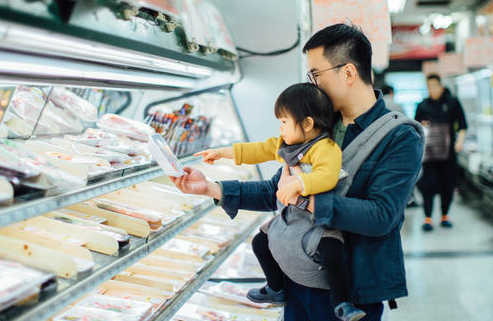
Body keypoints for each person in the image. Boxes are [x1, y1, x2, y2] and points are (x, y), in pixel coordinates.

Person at [171, 23, 424, 321]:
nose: (312, 84)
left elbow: (381, 216)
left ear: (348, 73)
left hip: (352, 295)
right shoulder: (319, 125)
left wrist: (303, 198)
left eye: (316, 74)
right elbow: (275, 191)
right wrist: (211, 188)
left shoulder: (400, 136)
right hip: (297, 280)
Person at [195, 83, 365, 321]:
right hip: (293, 220)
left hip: (321, 222)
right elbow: (260, 149)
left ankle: (342, 302)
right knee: (260, 243)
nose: (280, 127)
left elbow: (326, 176)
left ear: (307, 123)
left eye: (284, 121)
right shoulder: (289, 145)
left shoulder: (326, 148)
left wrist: (298, 184)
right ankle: (276, 288)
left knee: (332, 252)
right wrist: (223, 152)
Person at [415, 74, 467, 231]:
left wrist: (460, 142)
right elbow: (416, 126)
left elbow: (463, 124)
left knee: (448, 184)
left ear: (441, 86)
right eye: (429, 87)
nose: (432, 89)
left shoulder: (452, 102)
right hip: (430, 154)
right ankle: (428, 218)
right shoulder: (423, 105)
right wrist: (422, 125)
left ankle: (445, 215)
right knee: (428, 185)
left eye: (434, 86)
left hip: (449, 154)